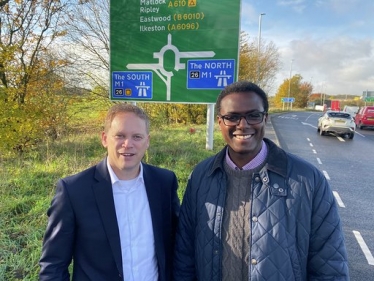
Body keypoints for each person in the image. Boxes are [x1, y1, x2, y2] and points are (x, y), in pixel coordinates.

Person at [173, 81, 349, 280]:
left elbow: (330, 266)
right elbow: (184, 255)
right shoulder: (201, 176)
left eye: (253, 115)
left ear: (265, 118)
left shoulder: (308, 180)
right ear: (220, 122)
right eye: (232, 117)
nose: (243, 125)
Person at [39, 103, 180, 281]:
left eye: (137, 136)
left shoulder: (164, 183)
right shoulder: (74, 191)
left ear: (147, 141)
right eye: (120, 135)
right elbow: (53, 265)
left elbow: (177, 245)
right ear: (105, 138)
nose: (128, 144)